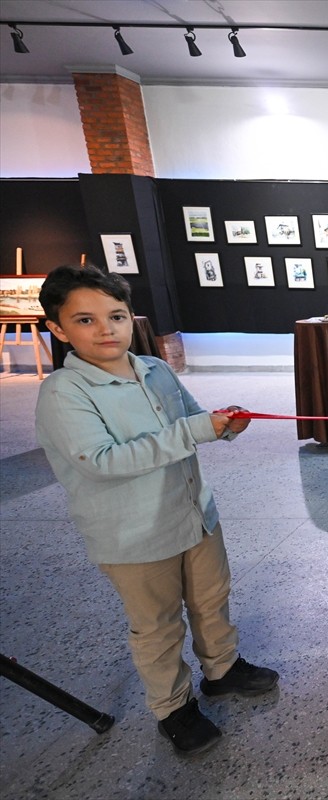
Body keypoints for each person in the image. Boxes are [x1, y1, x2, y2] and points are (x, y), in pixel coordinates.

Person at [34, 265, 278, 756]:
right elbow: (102, 461)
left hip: (194, 515)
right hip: (135, 536)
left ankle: (222, 669)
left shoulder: (155, 369)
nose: (106, 329)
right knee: (158, 624)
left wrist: (225, 423)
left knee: (211, 599)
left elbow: (190, 419)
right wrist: (195, 431)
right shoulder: (64, 392)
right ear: (58, 329)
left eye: (116, 316)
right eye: (85, 320)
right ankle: (173, 707)